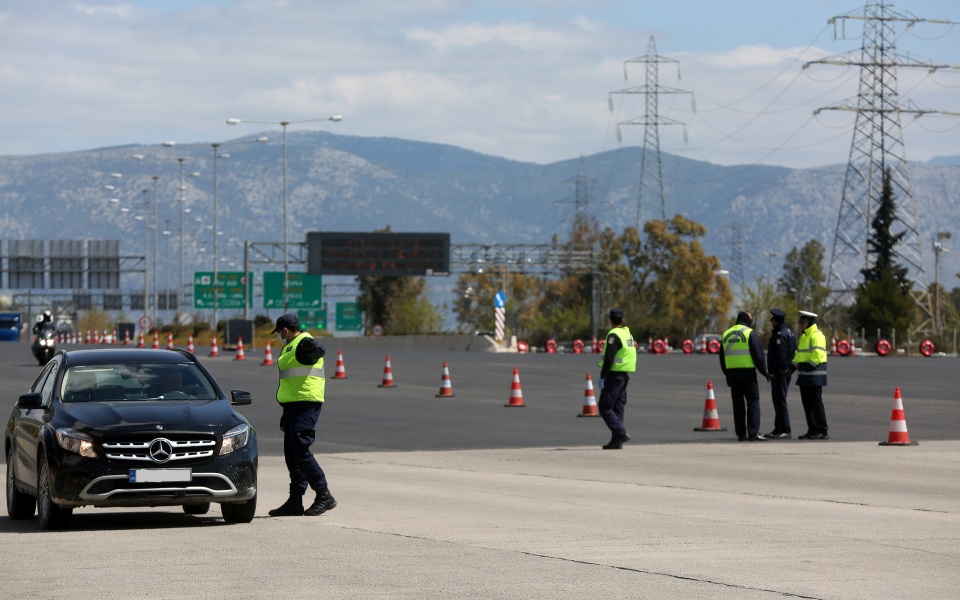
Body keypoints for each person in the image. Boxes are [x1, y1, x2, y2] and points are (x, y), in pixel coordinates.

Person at [267, 313, 337, 517]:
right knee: (291, 453)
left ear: (285, 330)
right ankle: (295, 501)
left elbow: (317, 350)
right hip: (292, 405)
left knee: (300, 450)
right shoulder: (290, 346)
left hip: (306, 404)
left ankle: (324, 494)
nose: (280, 336)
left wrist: (314, 348)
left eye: (280, 332)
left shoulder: (304, 342)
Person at [718, 310, 771, 441]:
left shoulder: (726, 334)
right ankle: (753, 433)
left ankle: (741, 434)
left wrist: (727, 374)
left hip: (732, 374)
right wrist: (765, 372)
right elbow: (758, 355)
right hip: (748, 374)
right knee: (753, 402)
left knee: (738, 404)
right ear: (747, 320)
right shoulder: (749, 333)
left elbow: (722, 358)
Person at [597, 308, 637, 449]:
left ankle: (620, 433)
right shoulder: (627, 333)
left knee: (604, 407)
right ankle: (616, 441)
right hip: (624, 375)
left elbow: (609, 357)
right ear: (622, 320)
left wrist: (602, 376)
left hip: (614, 375)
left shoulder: (613, 335)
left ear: (610, 320)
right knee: (618, 408)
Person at [792, 310, 829, 440]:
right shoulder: (804, 337)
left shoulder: (817, 336)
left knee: (816, 404)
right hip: (804, 377)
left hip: (814, 376)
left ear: (810, 322)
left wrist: (807, 367)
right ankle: (812, 430)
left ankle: (822, 431)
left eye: (803, 322)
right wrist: (792, 366)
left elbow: (817, 355)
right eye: (800, 322)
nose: (800, 325)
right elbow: (799, 355)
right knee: (807, 405)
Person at [766, 308, 797, 439]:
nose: (771, 321)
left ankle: (785, 429)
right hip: (784, 372)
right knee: (778, 400)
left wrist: (775, 372)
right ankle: (778, 427)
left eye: (772, 319)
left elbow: (780, 357)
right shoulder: (788, 332)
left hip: (780, 374)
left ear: (776, 320)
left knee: (780, 400)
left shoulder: (780, 335)